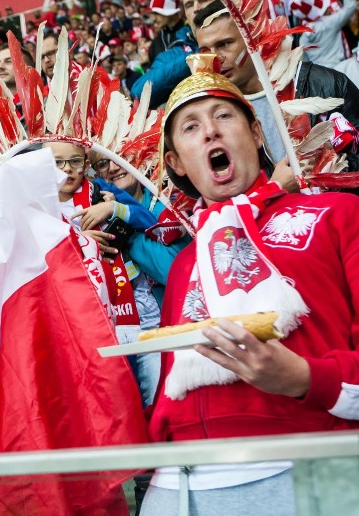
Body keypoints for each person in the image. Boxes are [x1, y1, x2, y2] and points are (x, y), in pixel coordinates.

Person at [140, 56, 359, 514]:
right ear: (177, 163)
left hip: (309, 466)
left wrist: (304, 379)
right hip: (180, 486)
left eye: (223, 115)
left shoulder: (337, 215)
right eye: (190, 127)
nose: (211, 132)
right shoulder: (184, 264)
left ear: (256, 134)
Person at [194, 0, 359, 175]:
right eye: (206, 50)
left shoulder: (323, 84)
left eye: (224, 44)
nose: (216, 58)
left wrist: (338, 163)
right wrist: (276, 189)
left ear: (252, 39)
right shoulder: (214, 116)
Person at [131, 0, 198, 107]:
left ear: (173, 13)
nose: (153, 18)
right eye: (152, 14)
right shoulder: (154, 45)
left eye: (158, 13)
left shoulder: (191, 33)